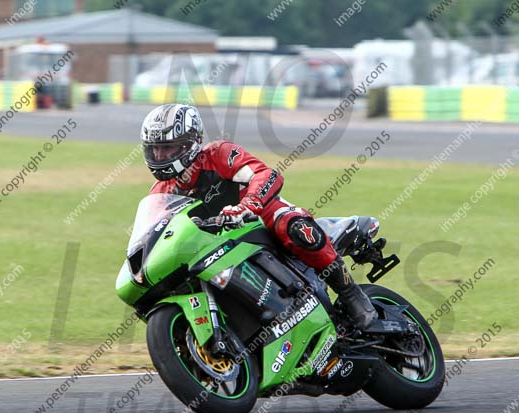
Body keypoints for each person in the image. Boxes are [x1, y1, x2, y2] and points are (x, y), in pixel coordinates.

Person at [142, 103, 377, 329]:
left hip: (259, 216)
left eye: (168, 147)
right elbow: (155, 234)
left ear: (191, 143)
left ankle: (351, 294)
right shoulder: (160, 193)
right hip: (217, 243)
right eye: (155, 149)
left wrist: (247, 205)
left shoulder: (218, 154)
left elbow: (266, 175)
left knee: (295, 228)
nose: (160, 156)